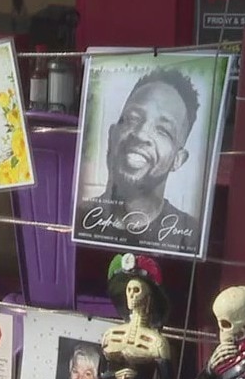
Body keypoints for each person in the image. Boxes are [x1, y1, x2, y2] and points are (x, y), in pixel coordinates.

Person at [75, 69, 201, 250]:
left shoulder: (189, 237)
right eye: (133, 119)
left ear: (178, 160)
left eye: (163, 130)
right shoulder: (78, 218)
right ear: (112, 135)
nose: (141, 134)